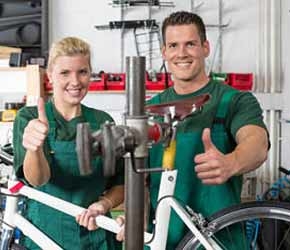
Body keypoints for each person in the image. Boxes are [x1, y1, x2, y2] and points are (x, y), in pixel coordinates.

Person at [143, 11, 269, 249]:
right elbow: (142, 180)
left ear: (205, 48)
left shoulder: (234, 100)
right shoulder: (150, 109)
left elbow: (257, 143)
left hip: (221, 240)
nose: (181, 53)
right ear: (164, 52)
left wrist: (232, 161)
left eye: (190, 44)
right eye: (173, 45)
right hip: (165, 240)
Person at [13, 37, 124, 250]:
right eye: (65, 73)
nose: (75, 81)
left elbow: (120, 184)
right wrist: (34, 149)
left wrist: (103, 205)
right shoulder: (29, 118)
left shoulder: (102, 121)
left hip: (96, 234)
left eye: (82, 72)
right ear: (50, 76)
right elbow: (38, 180)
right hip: (45, 235)